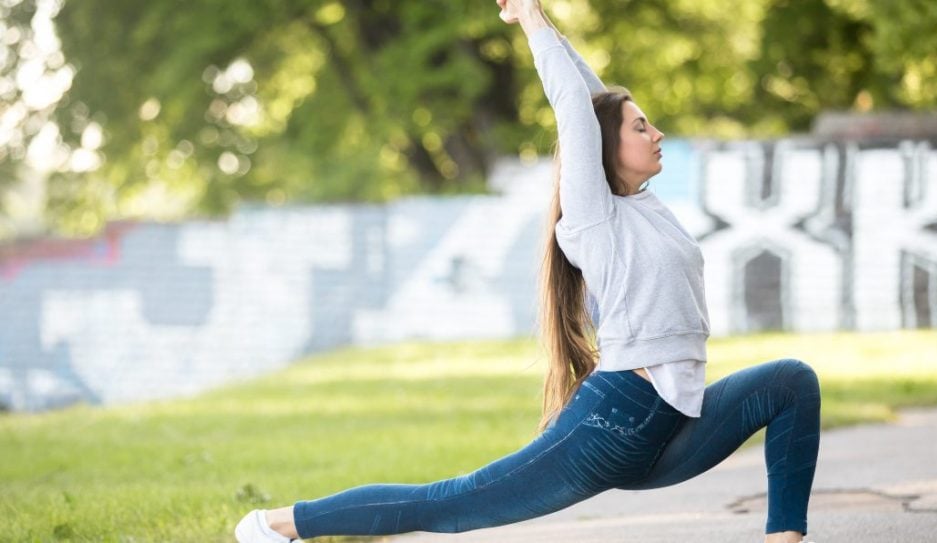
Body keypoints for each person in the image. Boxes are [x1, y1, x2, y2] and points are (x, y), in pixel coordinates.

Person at [234, 1, 821, 542]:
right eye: (642, 126)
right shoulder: (593, 216)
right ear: (603, 149)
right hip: (613, 425)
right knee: (448, 503)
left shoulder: (644, 206)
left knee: (791, 381)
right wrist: (533, 20)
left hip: (673, 423)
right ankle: (274, 525)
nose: (657, 132)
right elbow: (576, 107)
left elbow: (594, 97)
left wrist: (542, 22)